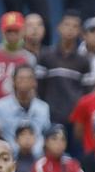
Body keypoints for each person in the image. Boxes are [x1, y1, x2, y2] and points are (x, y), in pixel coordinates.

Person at [37, 11, 88, 145]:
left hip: (74, 120)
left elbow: (86, 92)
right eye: (67, 25)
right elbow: (39, 88)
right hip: (51, 117)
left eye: (75, 26)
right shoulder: (46, 56)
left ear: (80, 32)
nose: (70, 29)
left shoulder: (83, 61)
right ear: (59, 27)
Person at [0, 63, 50, 156]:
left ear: (35, 82)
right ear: (13, 81)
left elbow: (46, 134)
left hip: (37, 159)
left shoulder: (43, 108)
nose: (25, 81)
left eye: (29, 78)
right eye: (21, 78)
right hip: (8, 158)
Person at [0, 12, 36, 108]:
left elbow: (31, 88)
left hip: (19, 111)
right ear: (2, 32)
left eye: (16, 31)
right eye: (9, 31)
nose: (12, 35)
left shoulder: (30, 59)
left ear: (23, 32)